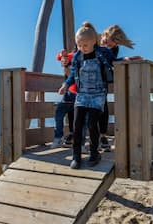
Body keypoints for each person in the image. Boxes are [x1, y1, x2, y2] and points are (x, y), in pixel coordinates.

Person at [58, 22, 116, 169]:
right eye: (79, 45)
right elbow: (72, 74)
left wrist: (127, 60)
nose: (82, 48)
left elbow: (115, 62)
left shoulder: (102, 53)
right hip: (82, 94)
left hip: (98, 95)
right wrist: (65, 85)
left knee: (92, 124)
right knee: (77, 125)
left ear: (93, 42)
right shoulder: (77, 56)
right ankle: (76, 156)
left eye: (85, 45)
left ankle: (94, 153)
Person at [97, 25, 141, 152]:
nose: (112, 45)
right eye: (112, 41)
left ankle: (102, 137)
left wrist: (125, 59)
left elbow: (112, 61)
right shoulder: (94, 40)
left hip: (102, 81)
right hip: (88, 80)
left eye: (115, 43)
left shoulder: (113, 48)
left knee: (103, 107)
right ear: (106, 36)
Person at [51, 49, 76, 148]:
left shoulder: (77, 56)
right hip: (69, 94)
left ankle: (60, 138)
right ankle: (61, 137)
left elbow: (64, 57)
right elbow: (59, 57)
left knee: (66, 114)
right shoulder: (74, 56)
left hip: (75, 94)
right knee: (61, 113)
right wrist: (62, 55)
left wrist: (63, 56)